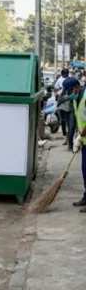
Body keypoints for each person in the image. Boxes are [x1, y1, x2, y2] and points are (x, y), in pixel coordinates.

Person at [67, 77, 86, 212]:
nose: (69, 94)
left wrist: (80, 136)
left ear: (77, 87)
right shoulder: (76, 98)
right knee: (85, 170)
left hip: (84, 137)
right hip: (84, 141)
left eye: (70, 90)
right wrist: (78, 137)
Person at [54, 68, 71, 143]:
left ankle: (67, 137)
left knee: (65, 120)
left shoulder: (68, 79)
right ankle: (67, 137)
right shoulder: (62, 79)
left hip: (65, 101)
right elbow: (55, 89)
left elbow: (55, 89)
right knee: (64, 120)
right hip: (64, 101)